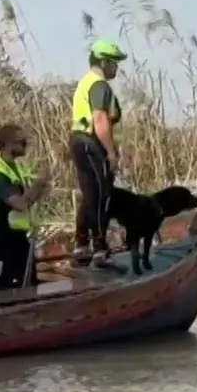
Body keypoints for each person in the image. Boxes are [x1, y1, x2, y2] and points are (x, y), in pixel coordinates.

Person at [69, 38, 126, 266]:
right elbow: (100, 118)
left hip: (80, 141)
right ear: (104, 62)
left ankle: (82, 245)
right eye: (114, 63)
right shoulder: (99, 85)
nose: (116, 68)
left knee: (90, 195)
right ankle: (100, 248)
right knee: (101, 196)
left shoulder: (85, 82)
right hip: (92, 142)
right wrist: (111, 152)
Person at [0, 123, 50, 289]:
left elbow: (28, 199)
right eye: (21, 142)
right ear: (8, 144)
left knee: (29, 282)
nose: (25, 145)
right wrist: (36, 185)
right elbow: (19, 203)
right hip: (3, 238)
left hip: (20, 237)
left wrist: (41, 188)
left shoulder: (20, 167)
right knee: (3, 285)